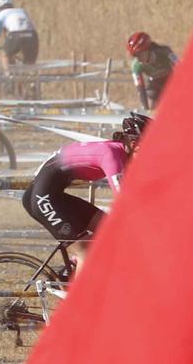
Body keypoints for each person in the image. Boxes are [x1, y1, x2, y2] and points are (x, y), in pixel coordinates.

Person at [23, 112, 148, 269]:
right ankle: (79, 289)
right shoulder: (112, 155)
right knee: (86, 253)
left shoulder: (124, 155)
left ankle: (74, 268)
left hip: (53, 195)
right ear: (133, 144)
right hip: (41, 197)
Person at [127, 33, 177, 110]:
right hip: (154, 82)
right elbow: (141, 89)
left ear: (148, 49)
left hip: (171, 79)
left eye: (139, 54)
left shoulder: (165, 52)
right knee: (151, 102)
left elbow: (180, 67)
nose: (138, 58)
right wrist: (146, 110)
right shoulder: (136, 65)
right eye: (135, 56)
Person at [0, 0, 39, 68]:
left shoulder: (0, 15)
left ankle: (9, 75)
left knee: (5, 55)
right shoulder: (22, 11)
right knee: (29, 61)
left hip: (16, 34)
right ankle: (30, 76)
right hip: (32, 35)